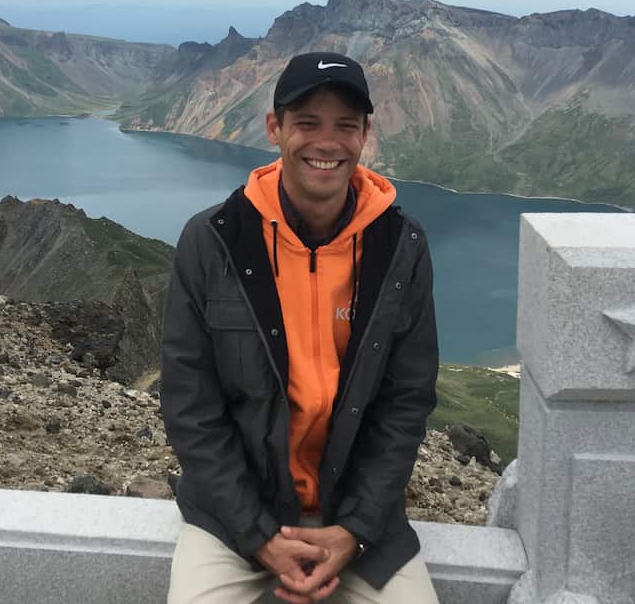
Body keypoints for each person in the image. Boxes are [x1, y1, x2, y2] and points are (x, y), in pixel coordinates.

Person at [161, 52, 440, 604]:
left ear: (365, 135)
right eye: (307, 123)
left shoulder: (401, 247)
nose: (326, 143)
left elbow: (406, 403)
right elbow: (191, 407)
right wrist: (259, 536)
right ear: (275, 129)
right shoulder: (214, 240)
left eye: (344, 126)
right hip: (234, 516)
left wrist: (354, 532)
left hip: (356, 517)